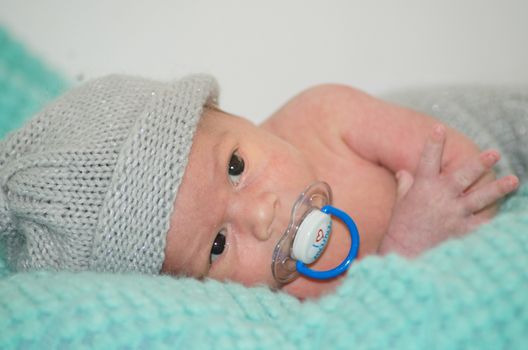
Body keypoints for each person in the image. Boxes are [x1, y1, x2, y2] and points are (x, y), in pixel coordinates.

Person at [0, 75, 522, 299]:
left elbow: (474, 168)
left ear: (231, 113)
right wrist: (401, 258)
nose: (260, 216)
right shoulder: (284, 306)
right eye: (217, 245)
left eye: (234, 167)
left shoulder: (326, 116)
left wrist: (435, 211)